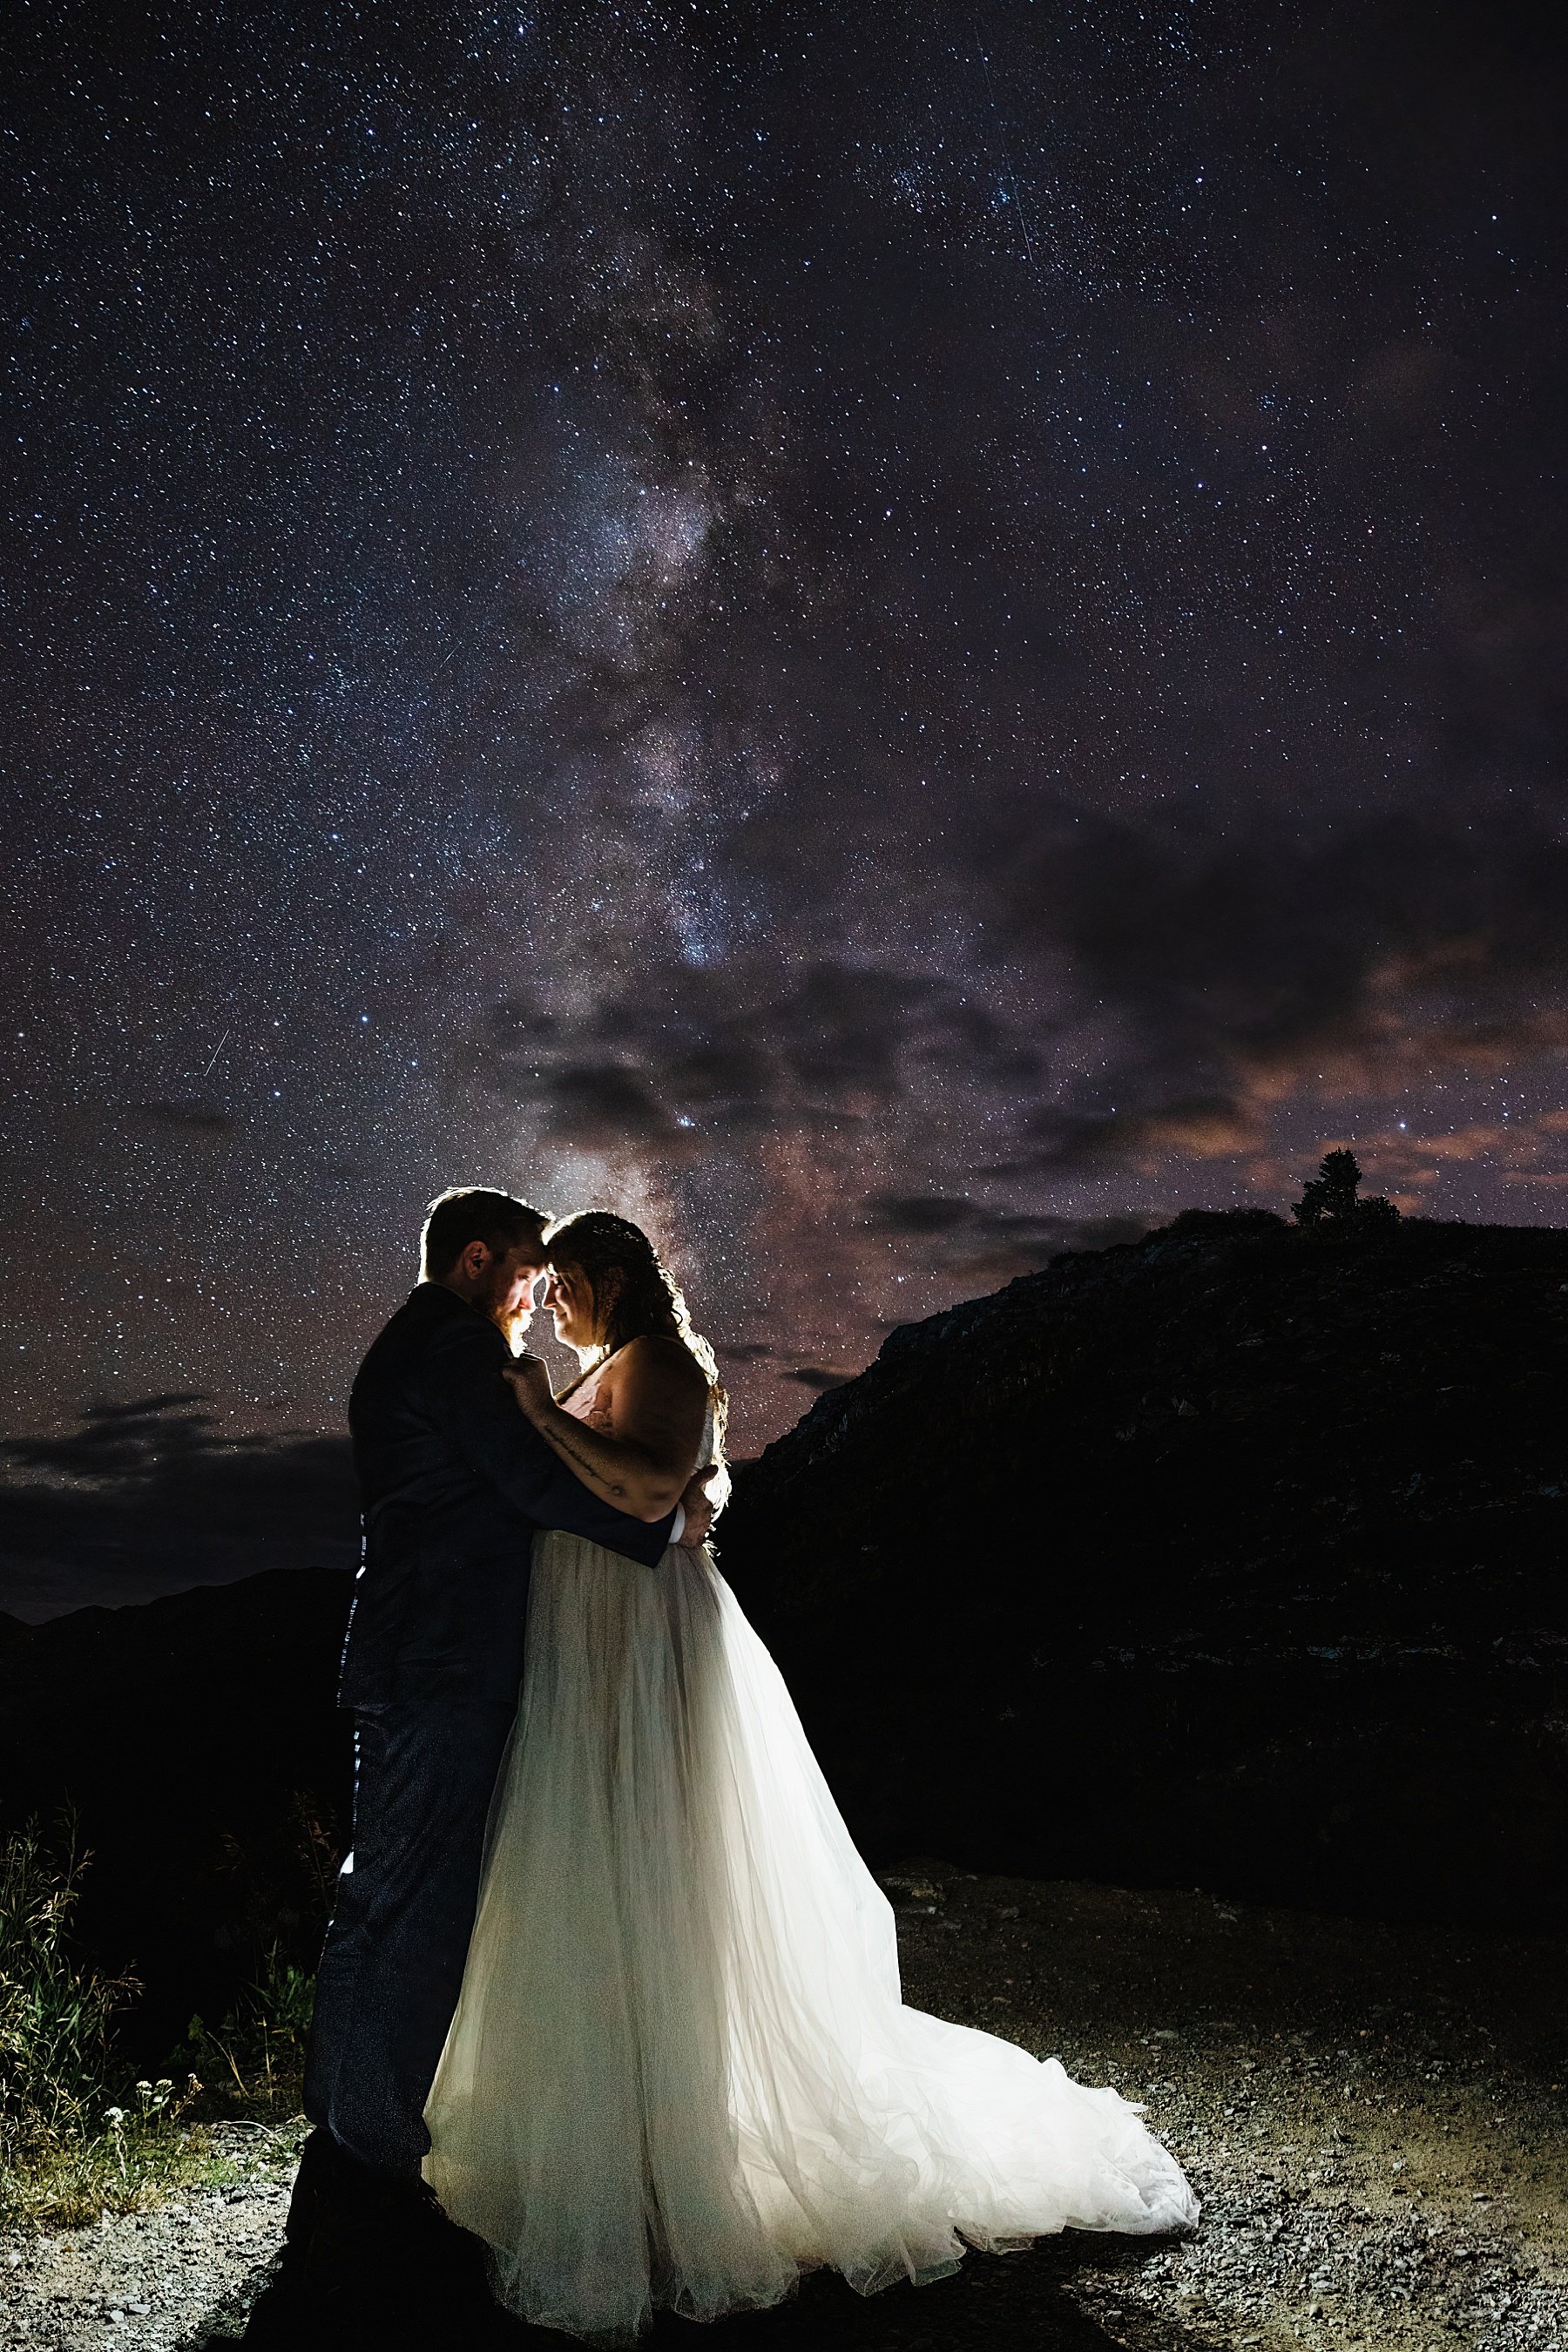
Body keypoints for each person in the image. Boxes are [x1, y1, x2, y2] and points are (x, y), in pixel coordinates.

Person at [422, 1211, 1199, 2342]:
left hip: (646, 1653)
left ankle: (683, 2150)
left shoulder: (666, 1365)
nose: (551, 1302)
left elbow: (645, 1493)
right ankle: (628, 2135)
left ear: (606, 1277)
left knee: (663, 1881)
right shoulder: (607, 1364)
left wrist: (539, 1407)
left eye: (564, 1284)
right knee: (609, 1887)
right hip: (595, 1653)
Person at [286, 1187, 719, 2299]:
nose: (536, 1299)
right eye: (528, 1273)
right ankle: (371, 2169)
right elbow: (530, 1482)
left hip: (415, 1657)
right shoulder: (452, 1353)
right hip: (443, 1664)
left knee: (375, 1900)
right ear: (479, 1262)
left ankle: (341, 2146)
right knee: (415, 1914)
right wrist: (668, 1520)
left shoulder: (426, 1347)